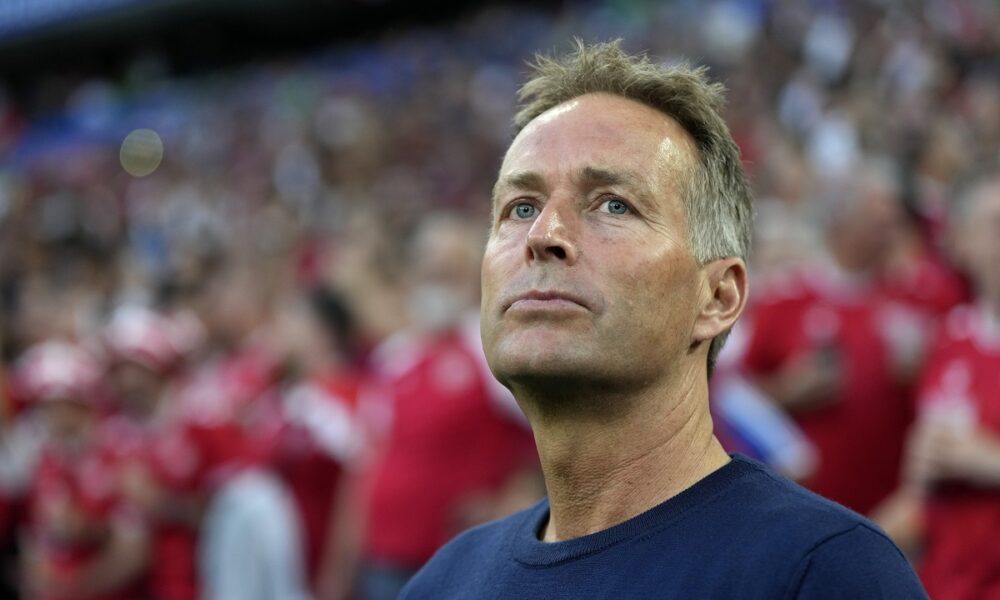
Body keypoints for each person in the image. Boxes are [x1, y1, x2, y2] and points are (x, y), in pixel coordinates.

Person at [401, 40, 927, 598]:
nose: (542, 235)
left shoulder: (826, 571)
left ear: (718, 297)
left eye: (613, 204)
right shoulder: (440, 584)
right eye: (521, 207)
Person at [355, 214, 539, 600]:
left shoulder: (489, 348)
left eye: (448, 272)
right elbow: (368, 460)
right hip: (384, 554)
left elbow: (548, 428)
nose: (435, 281)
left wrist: (515, 500)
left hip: (461, 558)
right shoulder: (393, 357)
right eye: (429, 269)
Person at [741, 159, 923, 515]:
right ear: (842, 222)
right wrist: (786, 391)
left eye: (892, 221)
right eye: (876, 220)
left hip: (887, 509)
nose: (888, 232)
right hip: (802, 504)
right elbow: (734, 397)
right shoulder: (786, 298)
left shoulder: (917, 299)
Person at [875, 167, 1000, 599]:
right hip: (945, 585)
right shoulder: (948, 340)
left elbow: (970, 458)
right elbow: (921, 491)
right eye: (995, 224)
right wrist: (849, 540)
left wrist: (988, 460)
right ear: (964, 242)